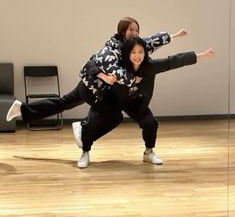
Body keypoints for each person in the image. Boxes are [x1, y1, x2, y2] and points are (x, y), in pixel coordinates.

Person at [6, 17, 186, 124]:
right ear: (123, 31)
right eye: (132, 29)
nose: (135, 32)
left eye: (137, 30)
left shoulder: (134, 46)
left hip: (98, 87)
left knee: (64, 103)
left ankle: (22, 109)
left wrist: (174, 36)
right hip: (92, 86)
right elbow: (113, 69)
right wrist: (133, 80)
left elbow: (150, 41)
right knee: (110, 113)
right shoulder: (112, 48)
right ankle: (83, 127)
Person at [72, 37, 215, 168]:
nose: (137, 56)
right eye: (133, 52)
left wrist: (201, 55)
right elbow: (92, 63)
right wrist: (103, 76)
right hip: (112, 99)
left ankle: (149, 152)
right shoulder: (118, 66)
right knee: (93, 121)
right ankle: (85, 152)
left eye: (141, 52)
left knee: (151, 122)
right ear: (128, 53)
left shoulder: (149, 66)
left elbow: (172, 61)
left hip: (134, 101)